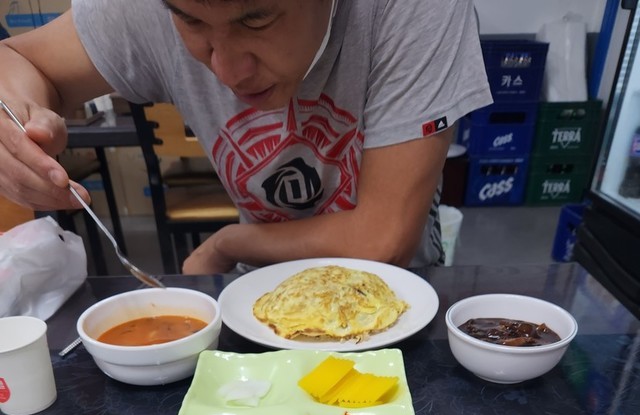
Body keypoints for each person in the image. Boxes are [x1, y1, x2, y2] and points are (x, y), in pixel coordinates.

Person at [0, 0, 492, 274]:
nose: (226, 71)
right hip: (258, 298)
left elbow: (381, 239)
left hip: (394, 296)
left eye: (256, 19)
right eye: (191, 20)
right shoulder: (148, 8)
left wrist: (229, 243)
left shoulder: (416, 9)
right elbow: (18, 59)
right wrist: (15, 119)